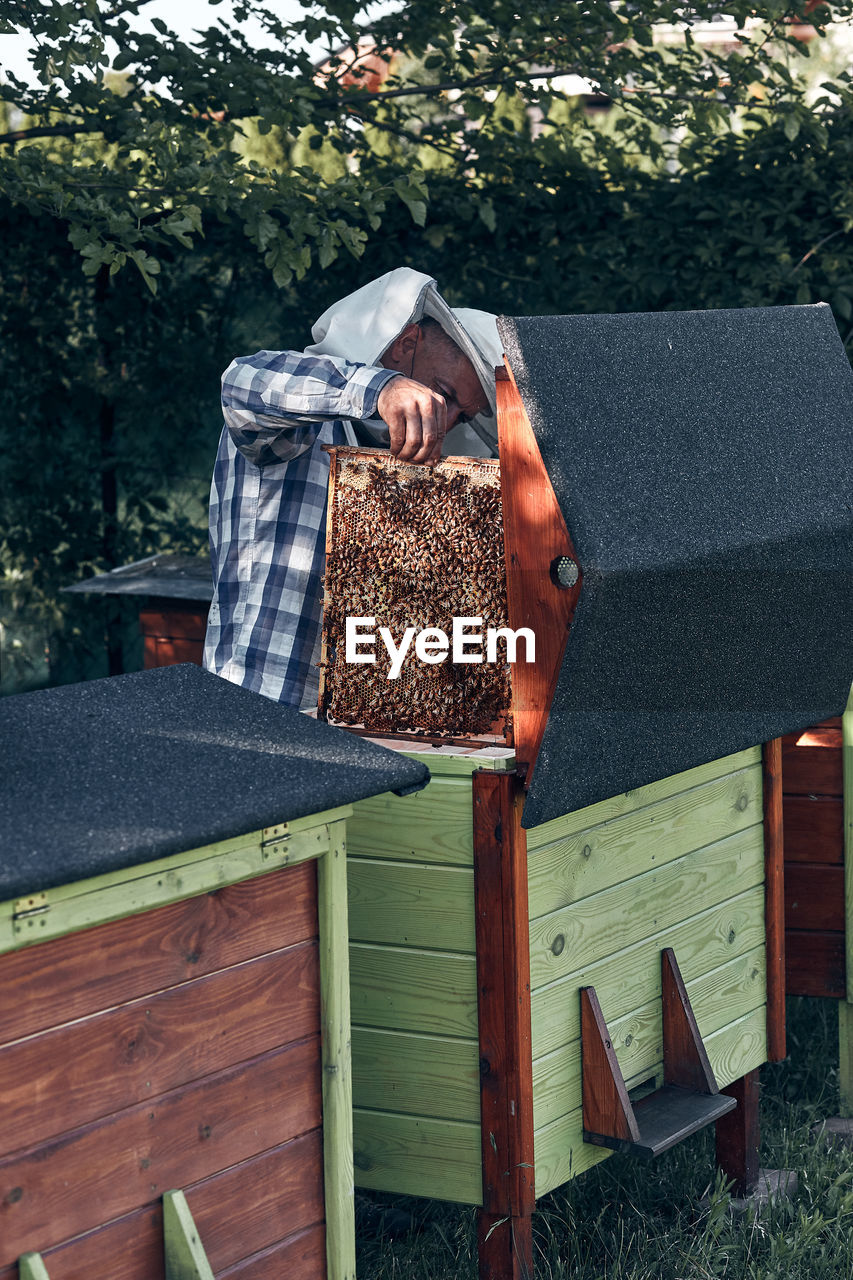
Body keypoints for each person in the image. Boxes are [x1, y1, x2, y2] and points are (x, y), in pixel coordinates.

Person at [203, 267, 504, 710]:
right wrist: (383, 388)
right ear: (406, 346)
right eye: (445, 392)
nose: (447, 416)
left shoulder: (400, 461)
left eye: (461, 413)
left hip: (356, 715)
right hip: (261, 698)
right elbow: (242, 383)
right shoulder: (299, 419)